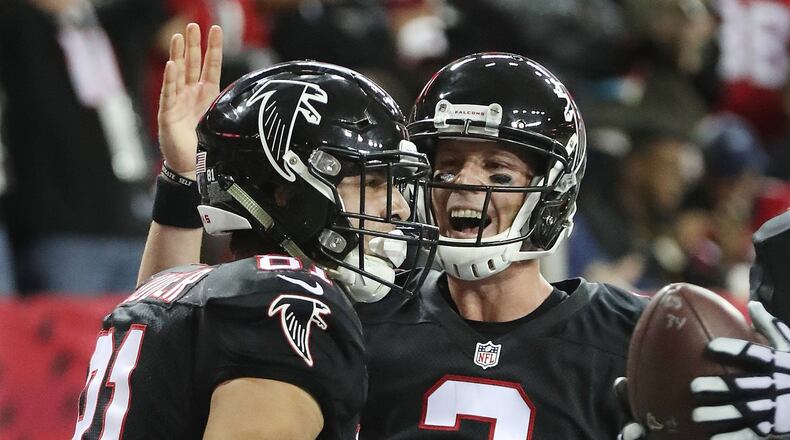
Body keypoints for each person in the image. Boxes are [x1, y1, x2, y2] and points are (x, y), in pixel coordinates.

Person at [73, 23, 438, 439]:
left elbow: (166, 337)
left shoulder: (175, 290)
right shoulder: (291, 294)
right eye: (371, 183)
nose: (400, 208)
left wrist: (181, 178)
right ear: (286, 192)